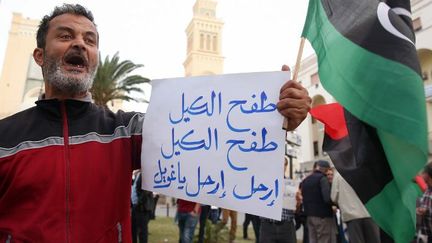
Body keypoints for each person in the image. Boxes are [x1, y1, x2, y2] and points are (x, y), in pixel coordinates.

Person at [0, 4, 311, 242]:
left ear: (94, 57)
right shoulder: (5, 137)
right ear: (39, 56)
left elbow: (209, 135)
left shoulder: (124, 131)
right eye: (66, 36)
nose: (80, 44)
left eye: (90, 40)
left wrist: (277, 115)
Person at [330, 168, 380, 243]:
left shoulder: (338, 175)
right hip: (369, 213)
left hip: (351, 215)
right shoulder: (365, 170)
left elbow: (333, 197)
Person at [259, 156, 297, 243]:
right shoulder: (264, 182)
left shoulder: (291, 184)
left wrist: (298, 201)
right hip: (267, 227)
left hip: (286, 227)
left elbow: (296, 209)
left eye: (283, 164)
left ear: (286, 166)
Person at [301, 160, 336, 243]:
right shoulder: (322, 179)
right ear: (325, 169)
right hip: (323, 216)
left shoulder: (305, 180)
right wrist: (335, 203)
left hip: (309, 216)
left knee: (312, 240)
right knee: (324, 240)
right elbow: (327, 198)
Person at [131, 171, 155, 243]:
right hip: (136, 206)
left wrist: (139, 202)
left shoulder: (146, 175)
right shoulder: (138, 174)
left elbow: (146, 192)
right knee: (133, 229)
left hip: (142, 208)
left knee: (142, 231)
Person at [416, 162, 432, 243]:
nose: (421, 174)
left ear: (428, 175)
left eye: (423, 172)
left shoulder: (429, 193)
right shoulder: (428, 190)